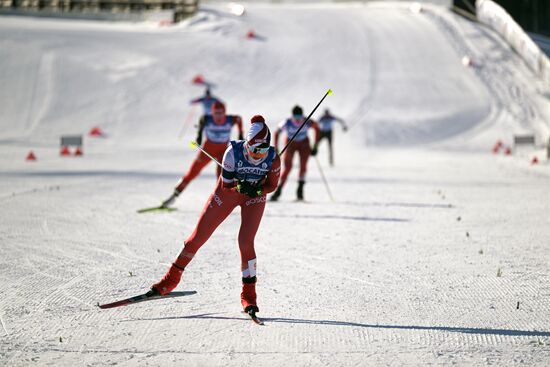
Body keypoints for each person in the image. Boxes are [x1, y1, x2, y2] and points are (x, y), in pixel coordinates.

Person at [151, 115, 281, 314]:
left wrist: (256, 190)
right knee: (197, 238)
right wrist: (240, 185)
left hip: (253, 197)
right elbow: (226, 185)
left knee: (246, 242)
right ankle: (171, 279)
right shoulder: (232, 153)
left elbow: (272, 186)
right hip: (227, 194)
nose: (258, 155)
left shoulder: (273, 157)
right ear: (247, 145)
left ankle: (249, 296)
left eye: (263, 150)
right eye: (254, 149)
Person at [161, 101, 244, 208]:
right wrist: (199, 134)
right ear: (212, 113)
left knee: (223, 176)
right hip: (208, 149)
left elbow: (239, 119)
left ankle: (222, 200)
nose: (219, 117)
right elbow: (202, 120)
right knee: (193, 172)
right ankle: (174, 195)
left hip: (223, 150)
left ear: (225, 112)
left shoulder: (230, 119)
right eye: (216, 113)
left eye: (221, 113)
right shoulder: (207, 119)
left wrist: (241, 133)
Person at [270, 105, 320, 202]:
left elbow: (317, 129)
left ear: (302, 116)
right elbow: (277, 132)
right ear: (292, 116)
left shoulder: (307, 121)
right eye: (295, 118)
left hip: (304, 144)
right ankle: (278, 191)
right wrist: (276, 148)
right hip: (290, 143)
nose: (297, 120)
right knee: (288, 167)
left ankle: (300, 191)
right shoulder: (287, 122)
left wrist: (315, 146)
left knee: (303, 166)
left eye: (299, 118)